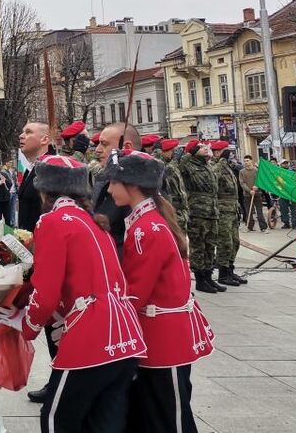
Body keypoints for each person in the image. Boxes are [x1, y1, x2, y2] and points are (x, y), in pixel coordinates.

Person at [0, 154, 146, 433]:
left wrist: (25, 323)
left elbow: (47, 289)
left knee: (56, 420)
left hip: (90, 340)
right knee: (103, 423)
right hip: (126, 337)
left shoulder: (52, 222)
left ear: (44, 190)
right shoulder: (95, 222)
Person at [104, 150, 214, 433]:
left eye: (113, 182)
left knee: (172, 417)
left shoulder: (147, 228)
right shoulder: (144, 221)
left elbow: (137, 290)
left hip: (163, 336)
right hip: (156, 332)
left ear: (132, 185)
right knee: (153, 414)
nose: (108, 188)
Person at [180, 142, 224, 294]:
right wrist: (189, 151)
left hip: (212, 211)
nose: (206, 148)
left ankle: (208, 276)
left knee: (210, 245)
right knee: (198, 246)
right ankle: (200, 280)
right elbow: (180, 161)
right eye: (201, 147)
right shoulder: (188, 164)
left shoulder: (207, 165)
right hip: (197, 211)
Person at [92, 121, 142, 252]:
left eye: (104, 144)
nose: (97, 150)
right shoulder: (104, 179)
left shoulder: (141, 188)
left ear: (126, 147)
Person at [209, 142, 246, 287]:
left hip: (232, 209)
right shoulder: (213, 165)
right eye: (225, 152)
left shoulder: (227, 166)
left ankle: (230, 270)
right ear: (217, 152)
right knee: (225, 242)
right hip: (222, 210)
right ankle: (223, 274)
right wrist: (222, 160)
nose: (228, 155)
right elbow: (212, 178)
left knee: (234, 242)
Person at [16, 122, 51, 232]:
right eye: (22, 132)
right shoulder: (31, 167)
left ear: (44, 140)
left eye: (28, 132)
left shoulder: (51, 168)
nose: (21, 136)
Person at [158, 138, 190, 233]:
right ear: (165, 152)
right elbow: (167, 173)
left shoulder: (173, 164)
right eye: (173, 151)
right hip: (172, 211)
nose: (175, 154)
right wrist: (175, 159)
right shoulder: (160, 164)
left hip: (181, 211)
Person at [238, 155, 267, 232]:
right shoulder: (242, 172)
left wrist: (257, 187)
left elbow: (260, 181)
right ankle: (249, 227)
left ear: (251, 161)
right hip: (247, 194)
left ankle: (263, 227)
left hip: (257, 194)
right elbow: (242, 183)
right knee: (248, 212)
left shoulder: (256, 171)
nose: (246, 162)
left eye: (247, 160)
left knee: (259, 212)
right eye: (244, 161)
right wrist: (249, 190)